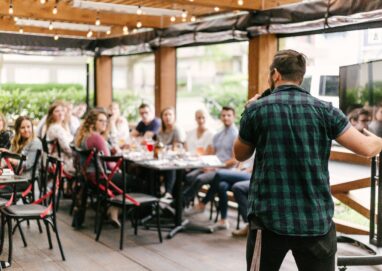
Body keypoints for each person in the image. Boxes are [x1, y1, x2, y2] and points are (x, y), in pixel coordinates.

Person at [234, 49, 382, 271]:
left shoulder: (257, 109)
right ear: (300, 77)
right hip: (315, 219)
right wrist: (379, 140)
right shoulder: (326, 110)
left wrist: (247, 112)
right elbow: (367, 149)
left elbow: (240, 154)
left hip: (269, 219)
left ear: (275, 74)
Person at [74, 108, 124, 227]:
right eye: (101, 121)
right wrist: (120, 169)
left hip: (89, 177)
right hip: (101, 178)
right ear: (92, 122)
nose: (104, 124)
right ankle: (115, 208)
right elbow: (109, 164)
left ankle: (113, 207)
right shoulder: (97, 138)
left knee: (128, 177)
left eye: (106, 121)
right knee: (137, 181)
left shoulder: (84, 136)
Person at [183, 106, 238, 206]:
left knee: (199, 179)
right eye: (223, 115)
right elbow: (212, 154)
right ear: (220, 117)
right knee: (189, 176)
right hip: (213, 167)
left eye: (228, 115)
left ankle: (181, 202)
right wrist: (208, 165)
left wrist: (215, 167)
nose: (225, 117)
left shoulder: (236, 135)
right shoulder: (218, 134)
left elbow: (235, 160)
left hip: (225, 170)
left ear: (234, 117)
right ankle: (185, 202)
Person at [189, 156, 253, 231]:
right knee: (221, 186)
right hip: (236, 172)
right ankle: (223, 220)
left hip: (247, 174)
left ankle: (203, 202)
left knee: (219, 174)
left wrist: (241, 171)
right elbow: (238, 161)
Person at [156, 107, 186, 199]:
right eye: (165, 115)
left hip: (177, 161)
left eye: (170, 114)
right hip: (162, 160)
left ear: (174, 117)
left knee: (170, 166)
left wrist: (165, 150)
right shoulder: (160, 131)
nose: (168, 117)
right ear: (162, 117)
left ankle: (168, 193)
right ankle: (154, 194)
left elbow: (176, 148)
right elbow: (157, 146)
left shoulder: (177, 129)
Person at [8, 116, 42, 188]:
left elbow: (28, 165)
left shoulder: (35, 142)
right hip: (14, 177)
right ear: (18, 130)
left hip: (26, 180)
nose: (26, 130)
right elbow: (8, 156)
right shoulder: (17, 141)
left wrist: (12, 160)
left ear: (32, 127)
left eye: (28, 127)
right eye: (22, 128)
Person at [43, 101, 75, 175]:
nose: (61, 113)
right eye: (57, 111)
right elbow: (67, 148)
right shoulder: (56, 128)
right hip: (62, 162)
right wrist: (78, 155)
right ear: (52, 115)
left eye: (62, 110)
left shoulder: (61, 127)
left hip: (62, 160)